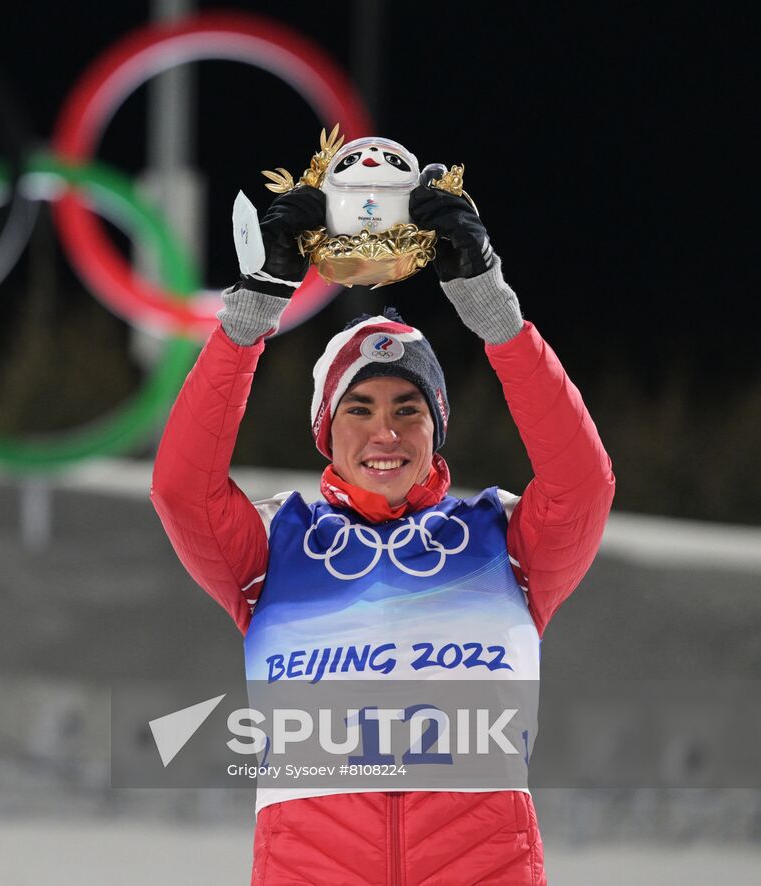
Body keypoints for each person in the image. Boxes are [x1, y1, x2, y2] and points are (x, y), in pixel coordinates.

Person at [150, 161, 615, 884]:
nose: (385, 433)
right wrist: (253, 311)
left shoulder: (505, 543)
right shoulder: (275, 547)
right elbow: (182, 490)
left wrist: (494, 312)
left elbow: (583, 486)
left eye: (409, 410)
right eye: (358, 411)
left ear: (439, 428)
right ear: (325, 433)